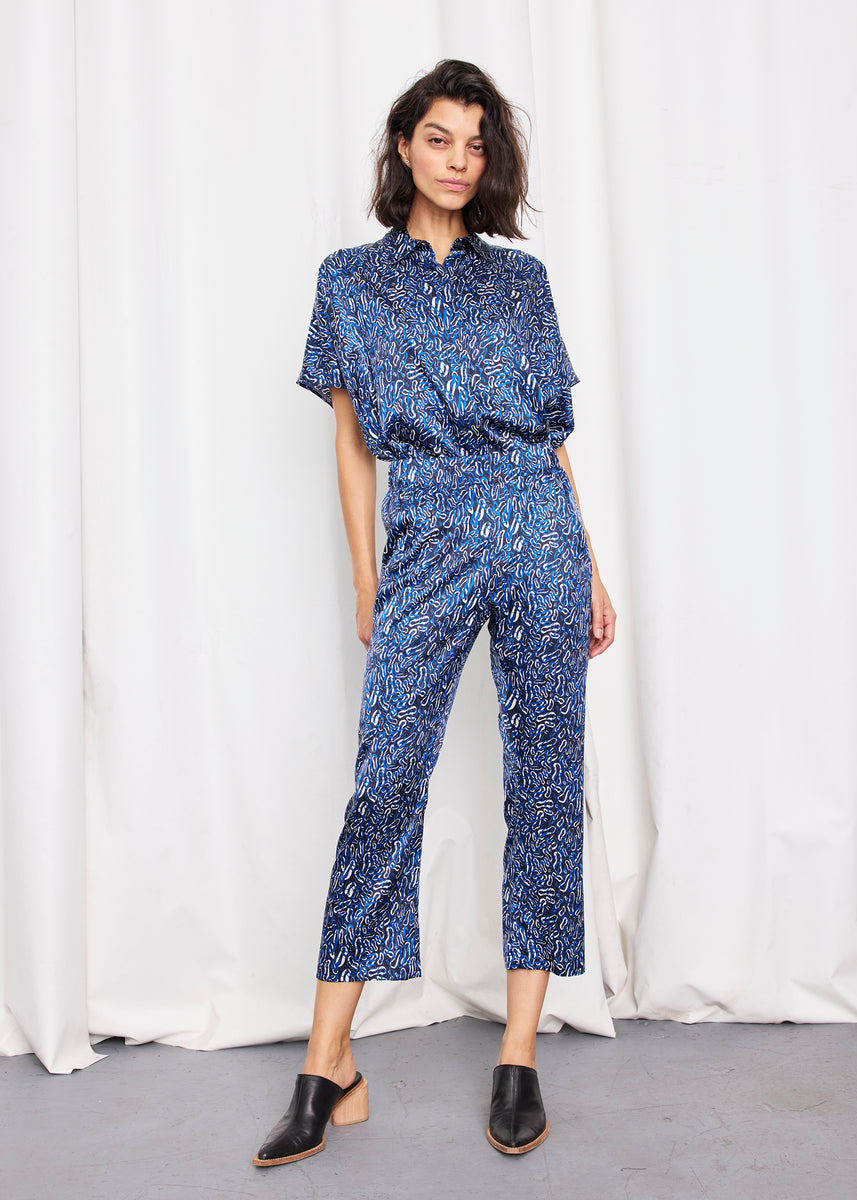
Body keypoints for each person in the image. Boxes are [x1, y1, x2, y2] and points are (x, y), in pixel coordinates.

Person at [253, 57, 616, 1167]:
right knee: (385, 786)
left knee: (545, 781)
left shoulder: (523, 281)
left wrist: (590, 565)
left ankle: (519, 1053)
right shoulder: (349, 282)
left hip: (539, 529)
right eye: (440, 138)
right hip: (428, 536)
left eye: (478, 143)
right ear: (404, 146)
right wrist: (370, 580)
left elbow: (551, 437)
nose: (460, 161)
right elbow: (350, 446)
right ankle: (329, 1064)